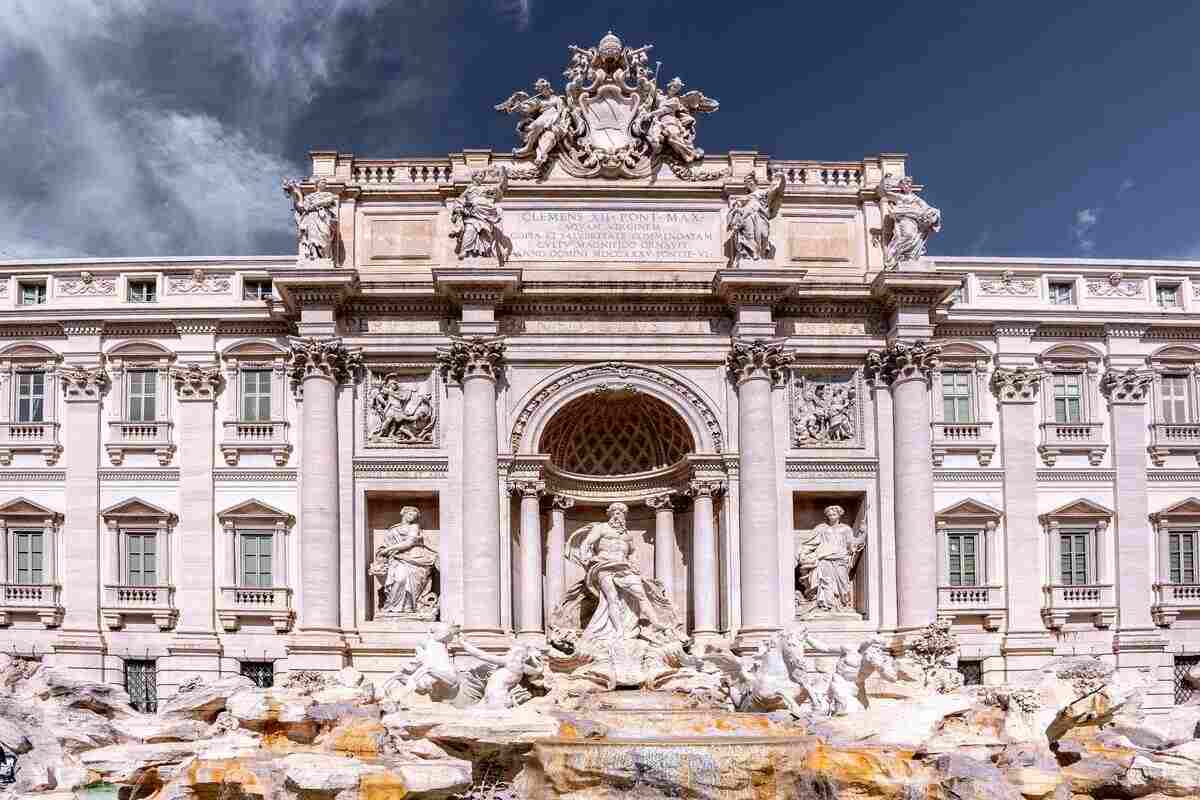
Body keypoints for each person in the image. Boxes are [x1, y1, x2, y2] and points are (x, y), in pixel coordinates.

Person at [559, 502, 684, 648]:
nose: (618, 514)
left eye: (621, 512)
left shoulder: (627, 535)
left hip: (624, 567)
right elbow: (586, 543)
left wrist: (635, 566)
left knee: (641, 594)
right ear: (610, 514)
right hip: (604, 566)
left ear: (625, 515)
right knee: (611, 599)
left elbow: (632, 553)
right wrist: (586, 558)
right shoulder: (601, 528)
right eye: (615, 511)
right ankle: (619, 632)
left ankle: (656, 623)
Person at [796, 505, 865, 612]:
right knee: (825, 583)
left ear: (839, 515)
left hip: (840, 558)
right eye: (829, 515)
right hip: (825, 559)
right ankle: (826, 606)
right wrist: (803, 553)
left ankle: (843, 604)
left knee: (843, 583)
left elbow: (853, 543)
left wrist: (863, 533)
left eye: (834, 514)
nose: (832, 517)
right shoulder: (821, 528)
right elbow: (810, 543)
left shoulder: (846, 529)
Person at [374, 507, 438, 614]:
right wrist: (382, 552)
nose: (411, 517)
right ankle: (392, 606)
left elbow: (409, 543)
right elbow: (384, 545)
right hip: (396, 560)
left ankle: (409, 607)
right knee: (399, 579)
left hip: (413, 559)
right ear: (403, 513)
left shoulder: (414, 527)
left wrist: (388, 550)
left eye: (414, 516)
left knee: (406, 580)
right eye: (409, 514)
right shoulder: (393, 529)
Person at [725, 173, 785, 265]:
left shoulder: (763, 192)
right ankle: (753, 254)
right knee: (749, 235)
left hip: (761, 217)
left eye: (750, 181)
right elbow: (736, 208)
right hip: (748, 218)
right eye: (747, 182)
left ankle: (760, 253)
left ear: (755, 181)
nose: (749, 183)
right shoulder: (746, 197)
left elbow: (777, 190)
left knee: (764, 234)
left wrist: (781, 179)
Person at [283, 177, 338, 260]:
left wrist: (315, 204)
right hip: (313, 217)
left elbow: (329, 200)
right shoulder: (310, 196)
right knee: (313, 237)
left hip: (323, 217)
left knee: (325, 233)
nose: (324, 184)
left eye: (324, 183)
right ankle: (315, 256)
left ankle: (325, 256)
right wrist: (296, 193)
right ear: (317, 184)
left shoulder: (328, 194)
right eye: (322, 182)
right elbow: (303, 206)